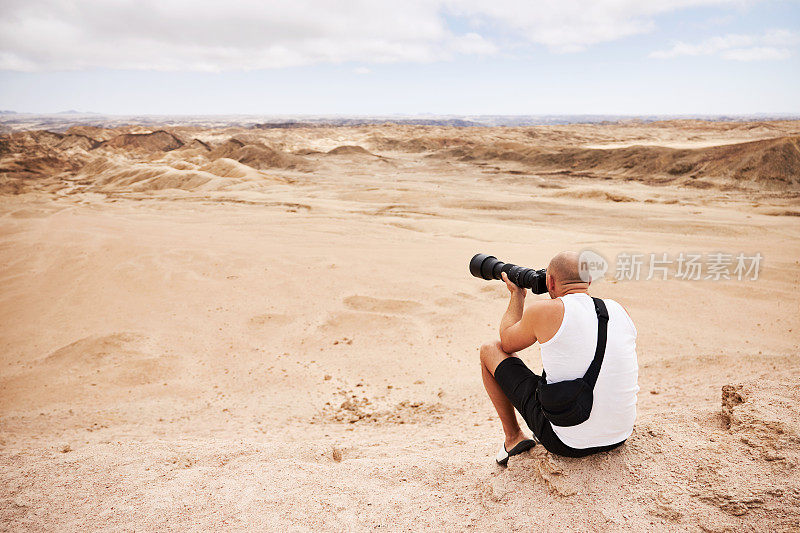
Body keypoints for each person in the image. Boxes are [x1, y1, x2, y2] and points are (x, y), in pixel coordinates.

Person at [479, 251, 639, 465]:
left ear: (550, 281)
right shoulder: (619, 310)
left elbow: (506, 343)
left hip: (567, 443)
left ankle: (513, 438)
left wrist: (517, 296)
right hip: (619, 435)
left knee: (490, 349)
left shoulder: (545, 311)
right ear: (589, 281)